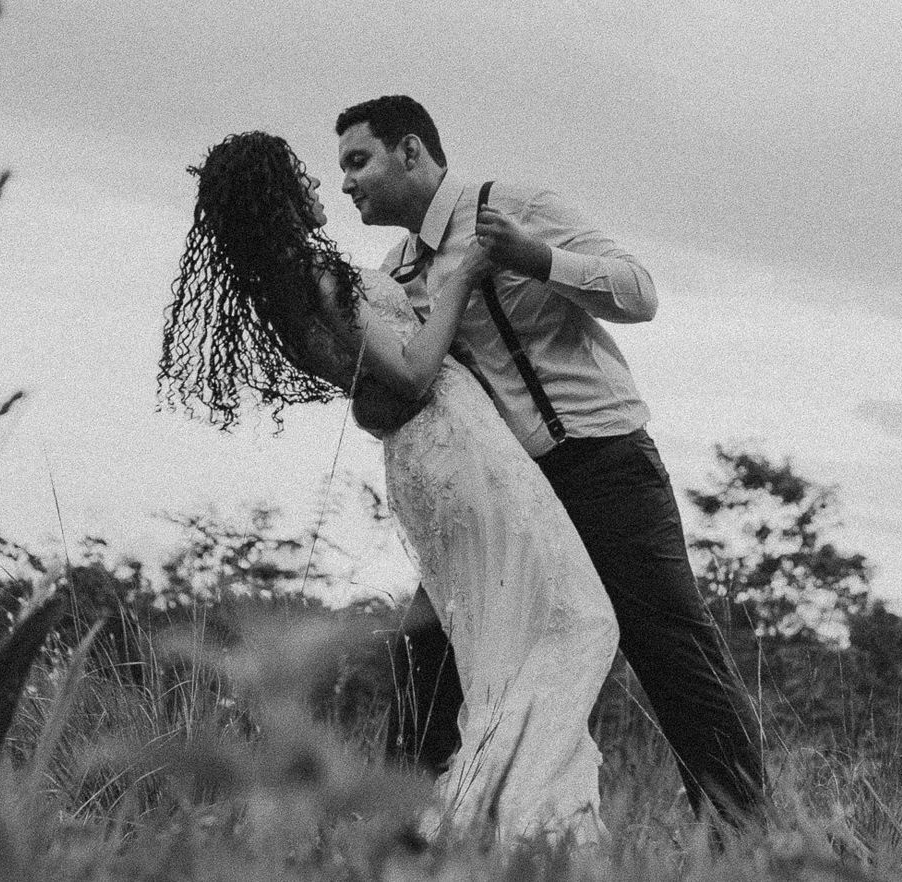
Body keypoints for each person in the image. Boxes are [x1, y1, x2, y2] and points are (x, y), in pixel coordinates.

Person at [158, 131, 620, 841]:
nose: (324, 188)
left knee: (501, 637)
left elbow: (370, 392)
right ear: (278, 196)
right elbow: (407, 374)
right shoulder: (314, 275)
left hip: (432, 454)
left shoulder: (282, 289)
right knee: (575, 620)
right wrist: (462, 277)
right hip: (457, 452)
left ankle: (495, 816)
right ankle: (497, 819)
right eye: (304, 178)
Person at [335, 95, 766, 826]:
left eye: (358, 161)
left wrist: (539, 260)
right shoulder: (395, 269)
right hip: (503, 497)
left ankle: (751, 846)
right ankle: (398, 845)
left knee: (673, 655)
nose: (346, 183)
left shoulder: (516, 204)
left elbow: (639, 294)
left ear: (411, 151)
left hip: (603, 463)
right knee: (424, 657)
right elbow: (398, 392)